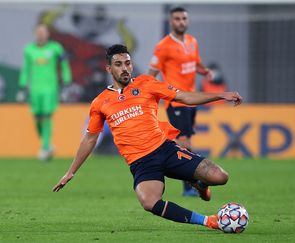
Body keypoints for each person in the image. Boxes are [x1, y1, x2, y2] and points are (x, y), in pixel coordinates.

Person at [53, 44, 243, 230]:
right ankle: (209, 221)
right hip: (140, 162)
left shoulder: (146, 83)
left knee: (220, 177)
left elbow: (184, 97)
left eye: (127, 63)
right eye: (118, 64)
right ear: (109, 69)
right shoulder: (100, 102)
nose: (125, 68)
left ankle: (199, 183)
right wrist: (71, 172)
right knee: (149, 202)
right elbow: (90, 138)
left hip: (165, 149)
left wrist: (220, 95)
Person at [148, 7, 214, 197]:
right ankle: (190, 185)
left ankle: (186, 177)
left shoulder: (192, 42)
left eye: (184, 18)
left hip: (191, 100)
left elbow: (195, 63)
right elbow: (151, 74)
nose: (181, 22)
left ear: (188, 20)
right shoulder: (163, 46)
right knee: (184, 141)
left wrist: (205, 71)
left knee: (185, 141)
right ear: (171, 22)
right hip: (176, 101)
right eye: (177, 18)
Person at [17, 24, 72, 161]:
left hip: (50, 88)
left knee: (47, 117)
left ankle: (45, 148)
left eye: (43, 32)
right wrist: (22, 87)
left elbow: (64, 65)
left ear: (48, 34)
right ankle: (47, 145)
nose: (41, 34)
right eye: (38, 32)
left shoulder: (56, 48)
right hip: (35, 89)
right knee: (37, 118)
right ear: (35, 34)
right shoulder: (29, 50)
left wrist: (66, 82)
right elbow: (26, 69)